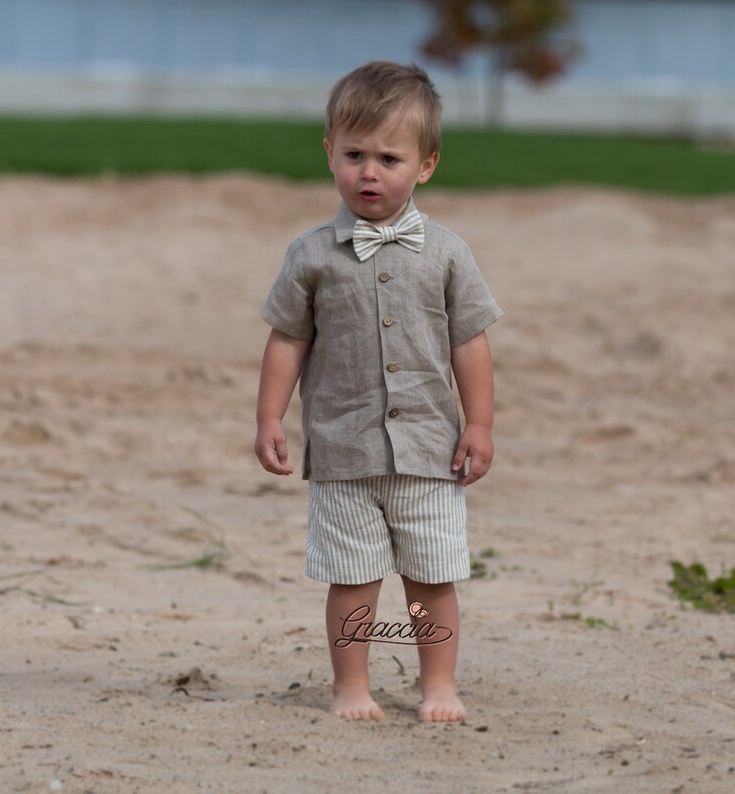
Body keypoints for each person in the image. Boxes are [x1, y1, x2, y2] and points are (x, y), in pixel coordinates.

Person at [255, 61, 503, 722]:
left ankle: (439, 684)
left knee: (432, 575)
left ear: (426, 165)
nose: (370, 171)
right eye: (354, 154)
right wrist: (270, 418)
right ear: (330, 153)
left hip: (429, 447)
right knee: (353, 575)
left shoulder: (448, 252)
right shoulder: (311, 255)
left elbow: (469, 343)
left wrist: (479, 425)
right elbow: (286, 338)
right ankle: (351, 687)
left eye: (389, 158)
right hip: (344, 448)